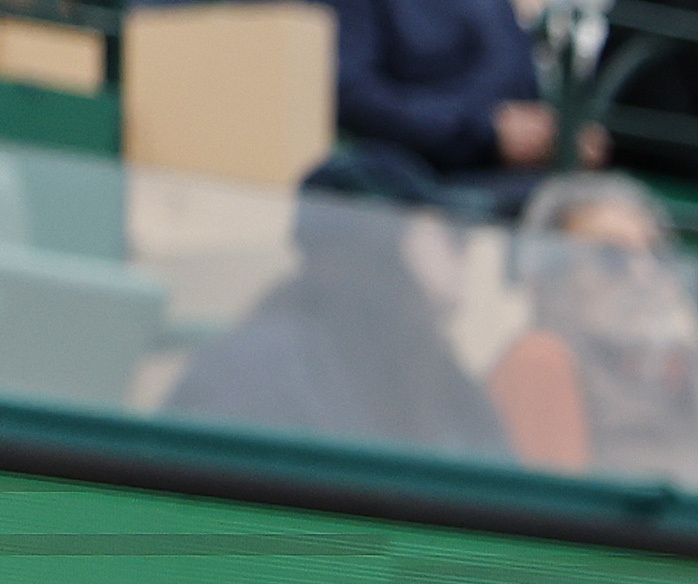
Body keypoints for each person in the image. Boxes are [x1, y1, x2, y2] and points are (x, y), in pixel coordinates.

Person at [161, 152, 514, 458]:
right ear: (388, 240)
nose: (466, 254)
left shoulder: (424, 368)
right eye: (453, 236)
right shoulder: (268, 363)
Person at [488, 177, 698, 486]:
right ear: (548, 278)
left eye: (657, 254)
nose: (644, 275)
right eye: (612, 256)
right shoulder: (540, 361)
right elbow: (557, 512)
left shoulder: (681, 371)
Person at [332, 0, 567, 182]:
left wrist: (562, 135)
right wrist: (487, 131)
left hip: (523, 175)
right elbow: (353, 98)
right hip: (415, 180)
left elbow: (519, 84)